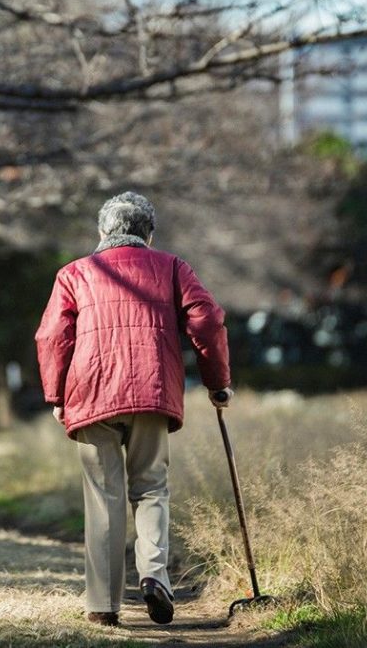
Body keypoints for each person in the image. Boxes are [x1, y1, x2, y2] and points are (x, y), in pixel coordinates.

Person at [34, 192, 232, 628]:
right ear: (149, 233)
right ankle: (154, 575)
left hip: (91, 394)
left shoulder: (75, 274)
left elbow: (51, 336)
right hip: (151, 389)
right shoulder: (173, 268)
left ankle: (104, 605)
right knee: (150, 488)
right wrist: (218, 384)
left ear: (102, 232)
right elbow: (208, 320)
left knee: (103, 498)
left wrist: (57, 396)